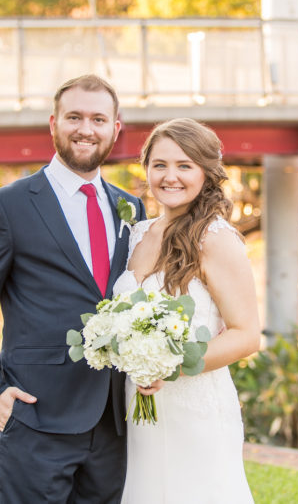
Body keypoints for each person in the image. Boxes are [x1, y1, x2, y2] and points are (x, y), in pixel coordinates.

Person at [0, 74, 146, 504]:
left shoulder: (131, 207)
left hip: (112, 420)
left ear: (116, 129)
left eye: (98, 119)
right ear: (53, 124)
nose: (85, 129)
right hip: (34, 414)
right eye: (74, 117)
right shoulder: (7, 206)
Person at [113, 118, 261, 503]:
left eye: (184, 165)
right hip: (140, 407)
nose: (170, 176)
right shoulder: (137, 235)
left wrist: (170, 365)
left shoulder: (216, 238)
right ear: (145, 169)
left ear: (206, 173)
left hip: (196, 409)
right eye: (159, 165)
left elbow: (246, 334)